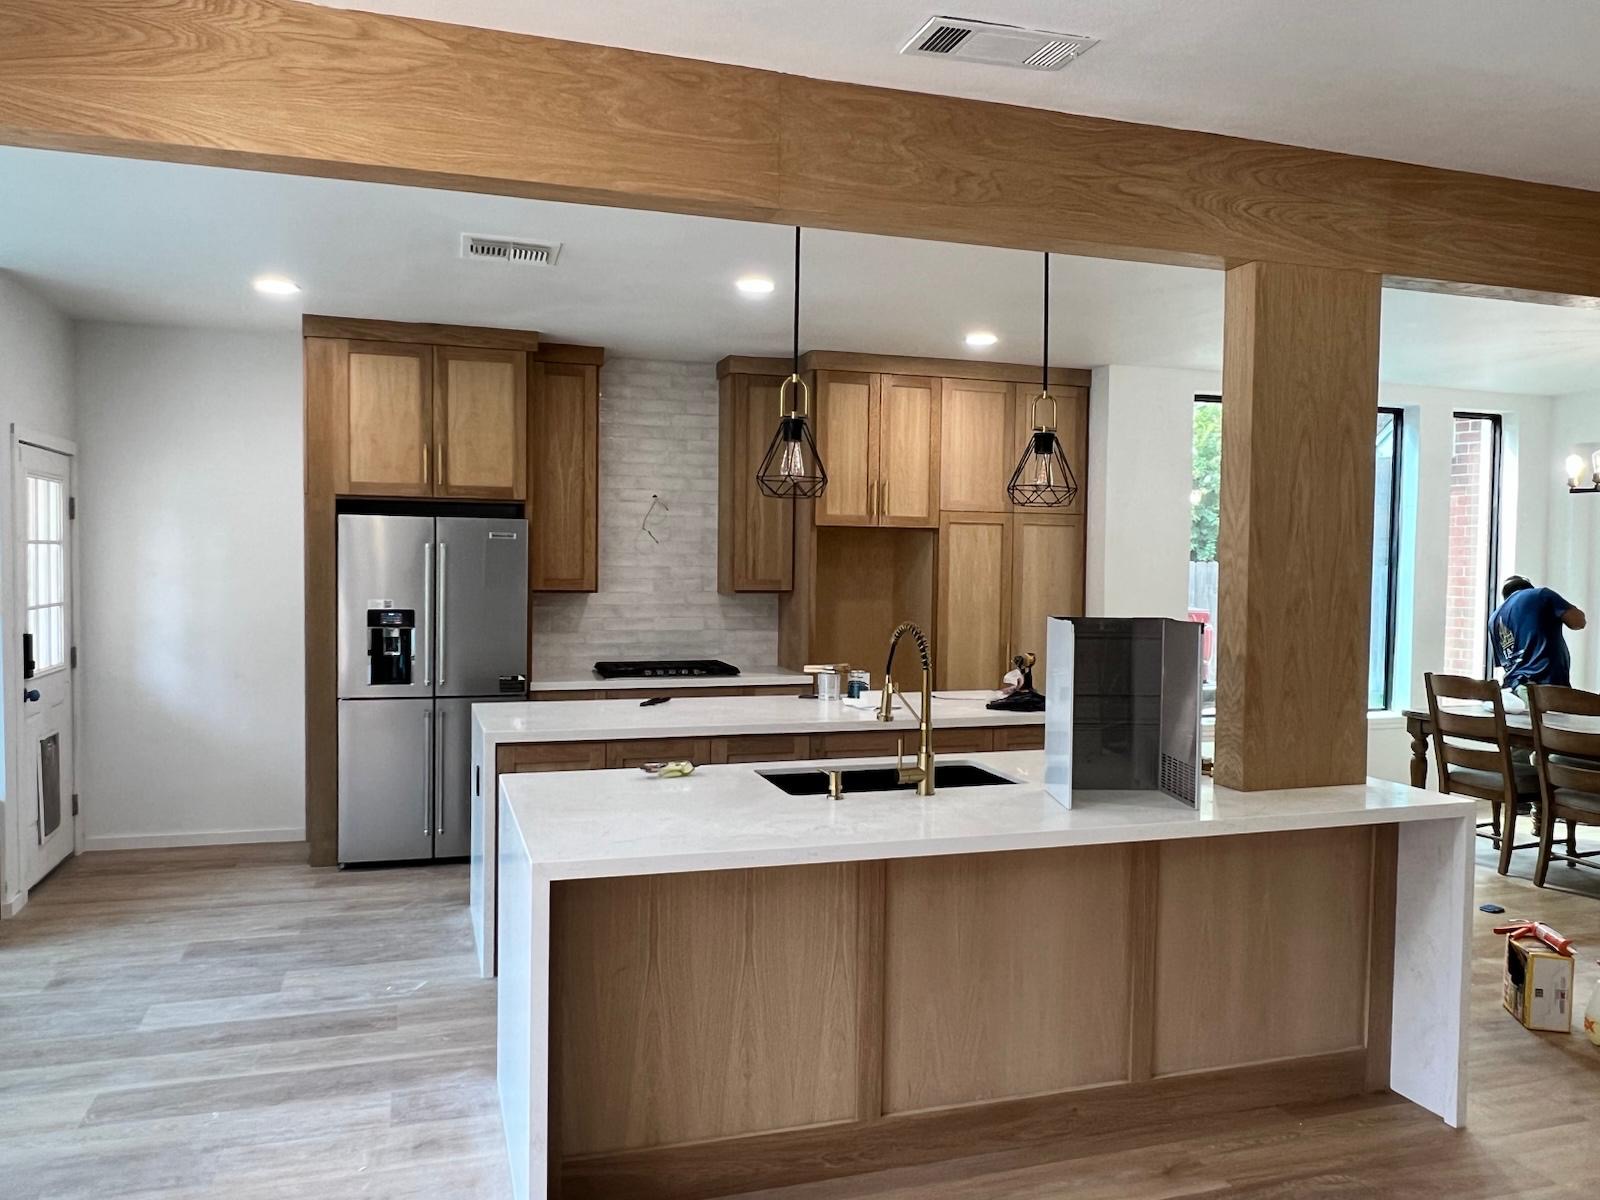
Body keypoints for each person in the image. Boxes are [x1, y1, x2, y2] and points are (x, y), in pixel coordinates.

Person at [1489, 576, 1586, 697]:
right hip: (1545, 689)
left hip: (1513, 691)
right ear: (1529, 588)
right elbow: (1578, 622)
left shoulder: (1493, 620)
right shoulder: (1540, 595)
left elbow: (1507, 662)